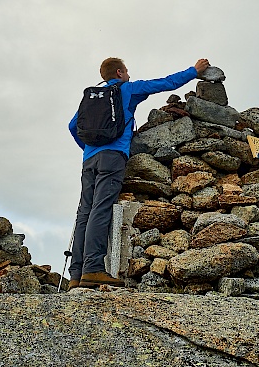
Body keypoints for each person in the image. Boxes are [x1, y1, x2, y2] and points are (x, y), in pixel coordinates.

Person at [67, 57, 210, 289]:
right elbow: (165, 83)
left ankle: (76, 274)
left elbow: (73, 126)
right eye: (127, 72)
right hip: (113, 158)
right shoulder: (128, 89)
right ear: (119, 71)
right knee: (101, 209)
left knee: (84, 212)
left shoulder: (92, 97)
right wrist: (193, 71)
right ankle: (93, 269)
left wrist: (88, 149)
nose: (129, 76)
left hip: (89, 160)